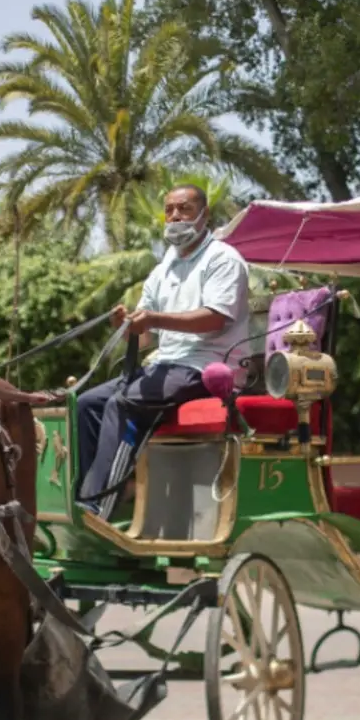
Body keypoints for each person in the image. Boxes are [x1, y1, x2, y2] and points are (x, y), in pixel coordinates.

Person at [76, 184, 251, 517]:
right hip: (167, 365)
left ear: (205, 215)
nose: (174, 217)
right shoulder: (163, 268)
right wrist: (127, 326)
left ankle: (98, 507)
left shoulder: (223, 259)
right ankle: (89, 496)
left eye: (183, 209)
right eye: (169, 209)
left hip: (207, 368)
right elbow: (145, 339)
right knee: (87, 404)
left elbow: (214, 319)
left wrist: (154, 318)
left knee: (124, 403)